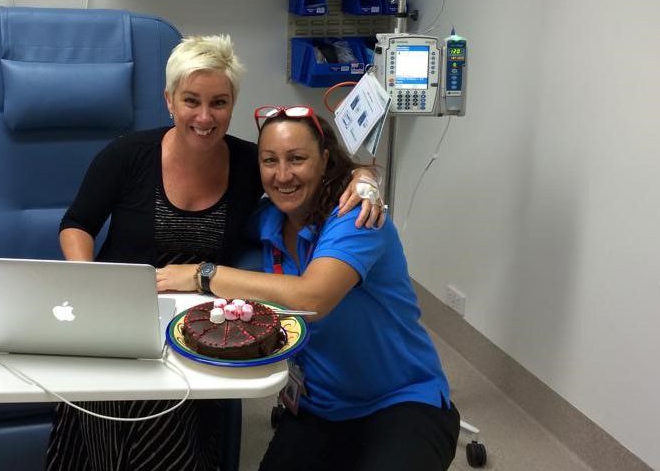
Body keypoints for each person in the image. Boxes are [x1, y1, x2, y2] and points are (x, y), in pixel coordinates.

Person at [47, 35, 385, 471]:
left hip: (205, 331)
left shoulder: (251, 164)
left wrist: (364, 178)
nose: (205, 117)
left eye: (219, 103)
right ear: (169, 101)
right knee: (118, 402)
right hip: (121, 318)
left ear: (232, 104)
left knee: (169, 412)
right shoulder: (127, 155)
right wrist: (88, 279)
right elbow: (77, 223)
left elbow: (315, 167)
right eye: (191, 100)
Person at [156, 106, 461, 471]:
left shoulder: (358, 217)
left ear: (325, 160)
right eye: (270, 160)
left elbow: (312, 299)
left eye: (297, 158)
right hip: (320, 408)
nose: (283, 174)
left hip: (402, 402)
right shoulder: (266, 220)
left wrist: (202, 274)